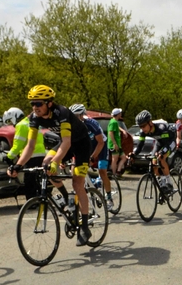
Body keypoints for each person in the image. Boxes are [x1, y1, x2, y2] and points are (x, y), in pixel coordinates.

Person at [7, 85, 94, 247]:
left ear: (49, 103)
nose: (35, 107)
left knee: (77, 182)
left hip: (81, 145)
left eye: (38, 103)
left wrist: (56, 161)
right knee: (45, 164)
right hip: (64, 144)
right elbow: (30, 146)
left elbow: (68, 142)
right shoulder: (34, 118)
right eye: (32, 103)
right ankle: (67, 197)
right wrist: (18, 165)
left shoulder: (62, 113)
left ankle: (85, 226)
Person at [70, 104, 114, 211]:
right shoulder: (72, 126)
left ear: (81, 116)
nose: (74, 119)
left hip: (101, 146)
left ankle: (109, 198)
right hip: (86, 147)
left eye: (76, 116)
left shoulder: (91, 124)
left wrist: (93, 157)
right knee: (74, 173)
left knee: (102, 170)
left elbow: (100, 143)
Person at [130, 110, 177, 192]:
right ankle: (162, 184)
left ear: (150, 123)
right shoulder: (143, 132)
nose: (142, 128)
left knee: (161, 158)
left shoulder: (161, 128)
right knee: (153, 163)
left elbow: (166, 144)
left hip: (170, 142)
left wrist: (161, 153)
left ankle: (169, 183)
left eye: (144, 126)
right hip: (159, 143)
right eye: (140, 126)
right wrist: (134, 153)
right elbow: (140, 145)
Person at [107, 108, 127, 178]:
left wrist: (123, 130)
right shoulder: (113, 122)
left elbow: (117, 127)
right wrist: (114, 143)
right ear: (118, 114)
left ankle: (118, 172)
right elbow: (110, 132)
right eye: (120, 113)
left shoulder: (114, 121)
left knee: (124, 157)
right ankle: (114, 174)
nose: (121, 114)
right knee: (114, 159)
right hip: (114, 145)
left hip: (118, 144)